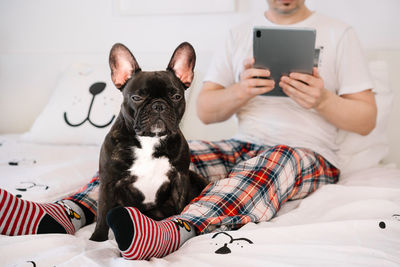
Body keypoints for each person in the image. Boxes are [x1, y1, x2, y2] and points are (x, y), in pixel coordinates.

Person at [0, 0, 376, 261]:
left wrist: (323, 100)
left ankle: (173, 230)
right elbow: (206, 111)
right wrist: (243, 89)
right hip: (241, 143)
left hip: (306, 151)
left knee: (266, 167)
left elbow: (366, 119)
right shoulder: (238, 34)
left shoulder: (339, 33)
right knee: (150, 157)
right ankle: (65, 214)